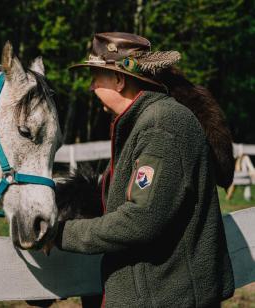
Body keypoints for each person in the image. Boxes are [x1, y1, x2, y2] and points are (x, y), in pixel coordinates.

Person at [54, 32, 235, 307]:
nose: (91, 88)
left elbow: (140, 220)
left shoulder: (161, 126)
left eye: (95, 78)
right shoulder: (149, 122)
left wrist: (62, 234)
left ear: (119, 79)